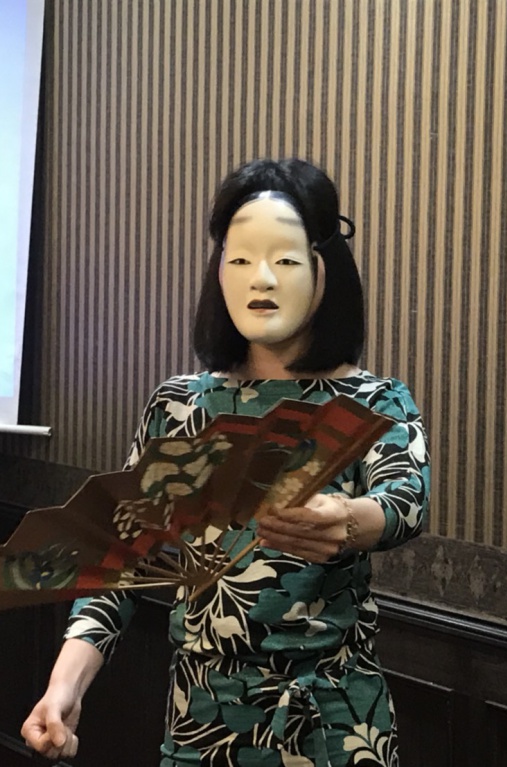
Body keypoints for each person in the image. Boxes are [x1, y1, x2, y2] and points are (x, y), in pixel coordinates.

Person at [21, 158, 430, 766]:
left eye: (284, 260)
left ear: (325, 267)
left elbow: (404, 501)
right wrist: (64, 687)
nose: (260, 279)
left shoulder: (375, 400)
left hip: (334, 719)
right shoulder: (179, 405)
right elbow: (120, 560)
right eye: (239, 260)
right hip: (202, 717)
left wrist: (345, 520)